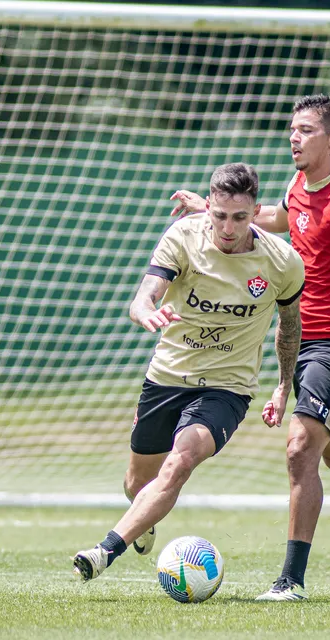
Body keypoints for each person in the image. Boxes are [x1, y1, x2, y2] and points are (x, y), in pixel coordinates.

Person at [171, 95, 330, 601]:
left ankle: (290, 581)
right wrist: (215, 210)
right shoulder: (297, 187)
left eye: (306, 129)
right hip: (303, 342)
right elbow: (281, 219)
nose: (294, 136)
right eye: (292, 128)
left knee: (300, 448)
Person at [73, 162, 304, 582]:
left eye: (239, 217)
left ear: (256, 212)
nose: (228, 227)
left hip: (227, 388)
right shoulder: (183, 236)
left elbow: (290, 327)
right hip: (167, 375)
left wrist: (283, 386)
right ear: (209, 207)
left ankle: (104, 551)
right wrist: (144, 310)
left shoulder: (282, 262)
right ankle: (144, 520)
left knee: (180, 461)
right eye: (219, 216)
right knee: (135, 483)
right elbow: (146, 294)